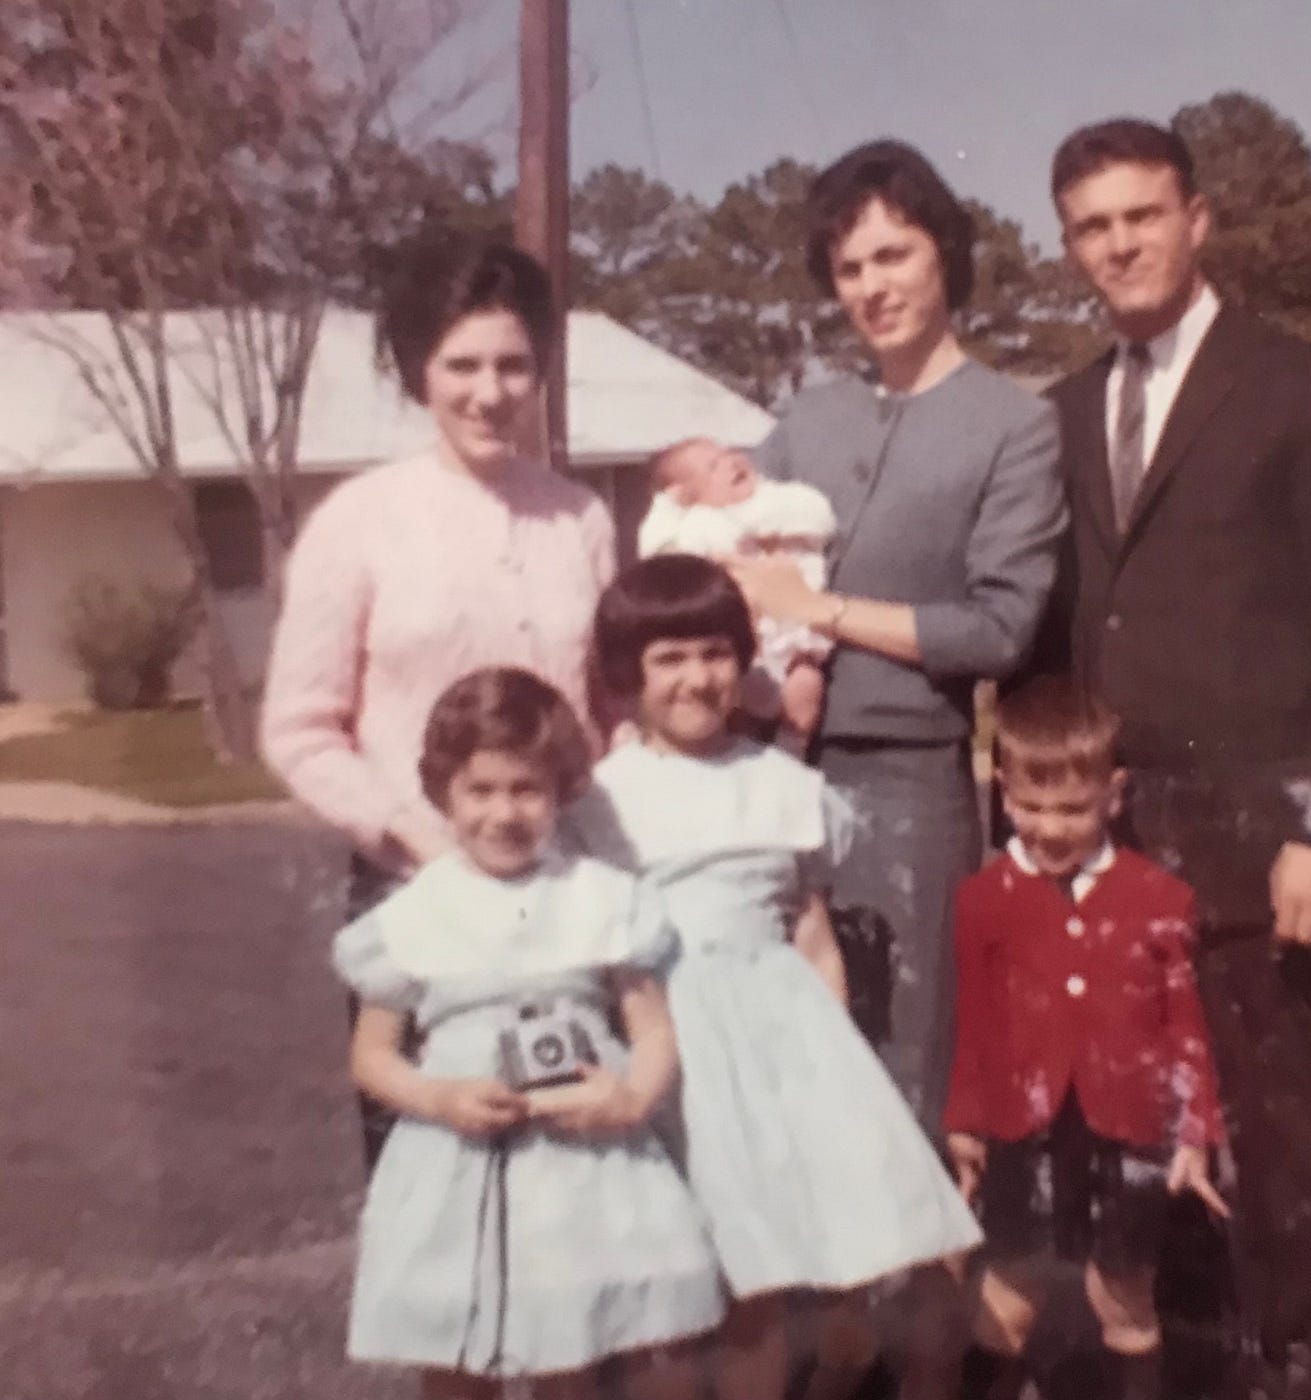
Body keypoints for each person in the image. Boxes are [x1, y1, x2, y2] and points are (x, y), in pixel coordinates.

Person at [1041, 116, 1311, 1400]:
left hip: (1262, 829)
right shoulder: (1069, 406)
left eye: (1141, 214)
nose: (1118, 242)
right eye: (1091, 224)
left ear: (1197, 220)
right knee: (1145, 1113)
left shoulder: (1301, 382)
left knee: (1284, 1114)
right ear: (1068, 245)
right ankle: (1197, 1352)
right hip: (1120, 825)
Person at [570, 555, 983, 1400]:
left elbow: (810, 932)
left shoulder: (783, 786)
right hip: (662, 1043)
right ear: (626, 676)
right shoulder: (601, 799)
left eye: (717, 654)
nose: (698, 678)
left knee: (758, 1281)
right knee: (673, 1284)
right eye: (670, 659)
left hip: (775, 1042)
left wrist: (826, 1064)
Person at [727, 139, 1065, 1136]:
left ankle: (913, 1288)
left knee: (905, 1063)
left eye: (893, 254)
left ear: (943, 254)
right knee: (779, 1055)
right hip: (768, 769)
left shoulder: (1012, 423)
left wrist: (820, 608)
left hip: (908, 784)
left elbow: (997, 627)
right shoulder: (801, 420)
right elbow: (726, 565)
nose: (872, 286)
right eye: (848, 267)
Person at [260, 231, 615, 1166]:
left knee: (573, 1169)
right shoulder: (359, 522)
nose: (489, 392)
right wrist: (415, 836)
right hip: (415, 894)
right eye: (462, 365)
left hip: (564, 892)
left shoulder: (580, 517)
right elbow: (301, 730)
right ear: (419, 369)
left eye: (513, 365)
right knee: (433, 1176)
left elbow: (606, 714)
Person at [331, 667, 723, 1399]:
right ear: (445, 791)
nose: (503, 813)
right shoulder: (417, 912)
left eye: (526, 790)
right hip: (455, 1161)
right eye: (480, 790)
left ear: (562, 791)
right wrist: (440, 1096)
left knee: (570, 1354)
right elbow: (372, 1055)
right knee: (455, 1354)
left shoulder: (600, 897)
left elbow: (653, 1031)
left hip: (581, 1163)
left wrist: (630, 1099)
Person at [946, 678, 1226, 1400]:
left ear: (1115, 794)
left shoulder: (1159, 897)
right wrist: (965, 1126)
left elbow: (1185, 1026)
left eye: (1072, 808)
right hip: (1023, 1125)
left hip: (1131, 1133)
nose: (1050, 826)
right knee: (1010, 1287)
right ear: (1003, 792)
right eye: (1031, 806)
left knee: (1121, 1293)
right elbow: (976, 1021)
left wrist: (1194, 1135)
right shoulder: (983, 900)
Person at [637, 435, 835, 742]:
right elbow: (658, 551)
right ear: (686, 495)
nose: (731, 462)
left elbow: (819, 517)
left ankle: (791, 753)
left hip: (796, 639)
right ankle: (743, 753)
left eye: (729, 453)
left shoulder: (778, 499)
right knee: (734, 707)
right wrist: (667, 506)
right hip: (742, 645)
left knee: (806, 691)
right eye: (713, 466)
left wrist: (748, 521)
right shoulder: (698, 523)